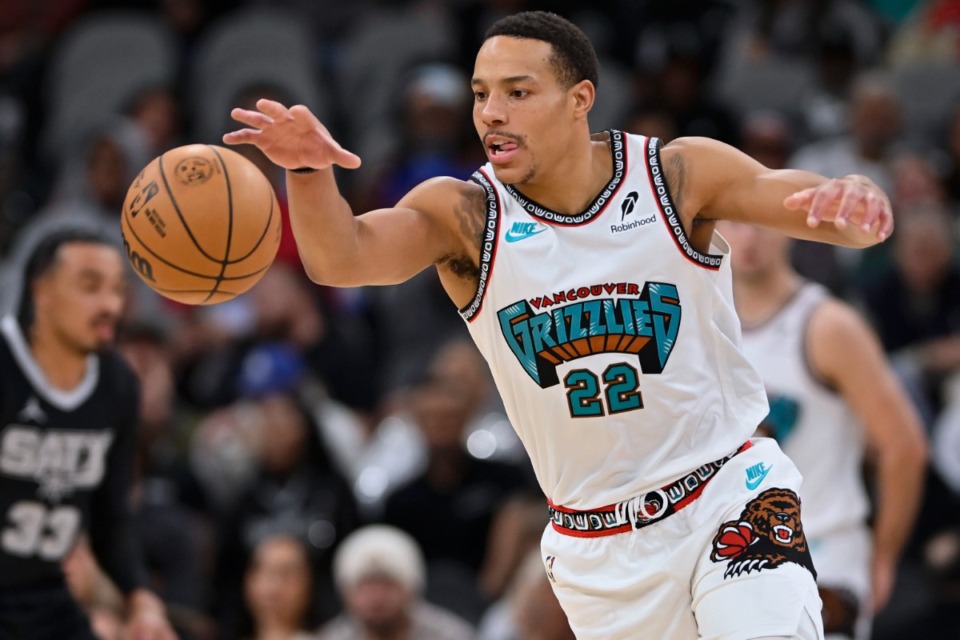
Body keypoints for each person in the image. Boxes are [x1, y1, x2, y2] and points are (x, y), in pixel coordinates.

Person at [224, 10, 895, 639]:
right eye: (482, 93)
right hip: (598, 544)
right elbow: (342, 259)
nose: (492, 112)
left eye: (518, 92)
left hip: (727, 493)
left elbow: (794, 198)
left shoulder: (674, 174)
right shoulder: (468, 215)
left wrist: (851, 204)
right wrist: (309, 171)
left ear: (580, 99)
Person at [722, 219, 927, 639]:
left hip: (824, 556)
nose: (748, 236)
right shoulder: (704, 327)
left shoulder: (828, 325)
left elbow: (903, 446)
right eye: (734, 223)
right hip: (735, 563)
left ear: (786, 229)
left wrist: (884, 556)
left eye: (758, 222)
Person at [0, 228, 176, 639]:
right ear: (41, 292)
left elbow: (111, 516)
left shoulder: (117, 386)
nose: (110, 305)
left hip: (40, 597)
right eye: (90, 287)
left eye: (117, 290)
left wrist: (142, 600)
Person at [318, 524, 475, 640]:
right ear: (345, 593)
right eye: (365, 586)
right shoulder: (330, 637)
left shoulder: (451, 635)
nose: (376, 598)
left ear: (412, 588)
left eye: (387, 584)